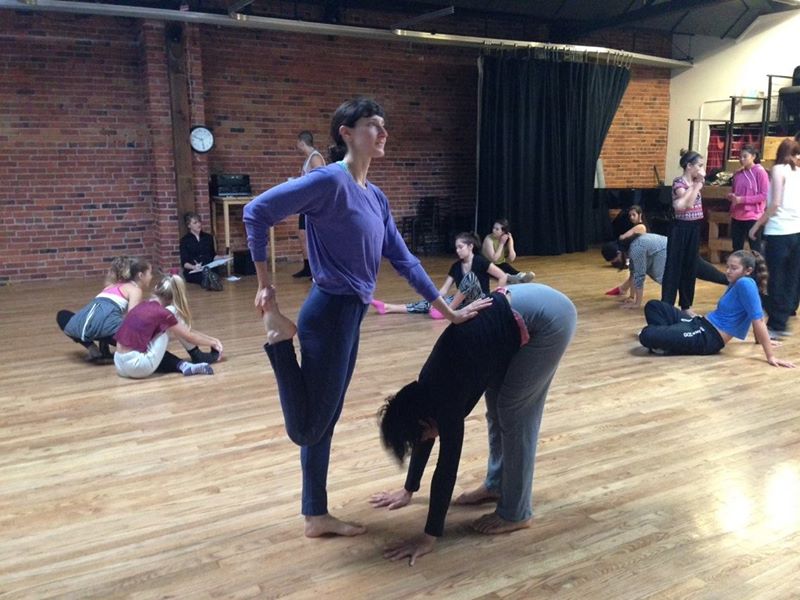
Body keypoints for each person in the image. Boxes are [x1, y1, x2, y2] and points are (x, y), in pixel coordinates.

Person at [243, 98, 490, 539]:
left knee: (326, 416)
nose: (382, 133)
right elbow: (256, 212)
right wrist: (267, 288)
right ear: (346, 133)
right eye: (373, 125)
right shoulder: (327, 182)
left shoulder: (374, 197)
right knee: (309, 426)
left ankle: (315, 514)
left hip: (349, 316)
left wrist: (447, 309)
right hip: (328, 312)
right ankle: (278, 341)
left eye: (383, 126)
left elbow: (405, 260)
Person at [371, 284, 576, 564]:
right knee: (496, 406)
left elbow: (447, 467)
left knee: (515, 413)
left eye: (420, 436)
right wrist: (409, 489)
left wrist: (429, 536)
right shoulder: (424, 396)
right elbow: (425, 439)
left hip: (549, 318)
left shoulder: (447, 399)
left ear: (422, 421)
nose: (426, 440)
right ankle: (495, 484)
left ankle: (517, 513)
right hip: (513, 318)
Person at [638, 251, 794, 367]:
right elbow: (753, 315)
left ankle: (665, 340)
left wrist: (770, 356)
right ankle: (667, 340)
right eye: (727, 267)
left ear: (748, 271)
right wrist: (760, 340)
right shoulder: (736, 283)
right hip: (700, 323)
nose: (728, 271)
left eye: (734, 268)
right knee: (654, 306)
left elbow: (758, 319)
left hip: (708, 338)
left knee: (647, 334)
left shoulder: (745, 284)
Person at [371, 232, 507, 319]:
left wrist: (497, 294)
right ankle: (389, 307)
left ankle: (448, 312)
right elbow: (443, 290)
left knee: (470, 278)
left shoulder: (480, 261)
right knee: (433, 301)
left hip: (479, 299)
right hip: (462, 303)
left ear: (470, 247)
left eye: (461, 247)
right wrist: (435, 301)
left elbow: (502, 276)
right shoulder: (456, 266)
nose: (457, 250)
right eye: (456, 248)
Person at [113, 274, 223, 379]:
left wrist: (210, 339)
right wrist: (213, 342)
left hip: (119, 364)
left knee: (165, 325)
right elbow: (189, 336)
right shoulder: (164, 313)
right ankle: (196, 354)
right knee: (170, 317)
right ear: (173, 298)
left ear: (156, 288)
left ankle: (184, 366)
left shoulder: (142, 305)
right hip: (137, 367)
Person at [749, 138, 800, 338]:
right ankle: (781, 322)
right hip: (797, 231)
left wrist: (757, 224)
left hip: (779, 231)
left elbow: (775, 203)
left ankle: (776, 323)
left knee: (773, 277)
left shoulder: (778, 169)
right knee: (791, 278)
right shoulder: (798, 172)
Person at [57, 256, 151, 361]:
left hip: (82, 327)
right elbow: (132, 319)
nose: (151, 277)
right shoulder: (134, 290)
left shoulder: (109, 287)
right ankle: (103, 348)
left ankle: (92, 348)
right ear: (140, 275)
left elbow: (104, 314)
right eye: (150, 273)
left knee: (62, 315)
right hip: (102, 329)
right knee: (136, 336)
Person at [661, 151, 706, 314]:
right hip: (680, 228)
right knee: (674, 265)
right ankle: (667, 304)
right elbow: (686, 204)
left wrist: (696, 185)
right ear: (689, 166)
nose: (702, 169)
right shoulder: (678, 182)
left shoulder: (694, 183)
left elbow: (687, 202)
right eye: (699, 165)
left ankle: (686, 305)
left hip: (694, 227)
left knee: (690, 266)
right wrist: (696, 186)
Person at [292, 130, 326, 279]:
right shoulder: (308, 159)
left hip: (314, 204)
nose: (297, 145)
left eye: (297, 142)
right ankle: (308, 267)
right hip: (306, 203)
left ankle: (317, 269)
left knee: (312, 237)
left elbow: (321, 181)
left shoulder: (315, 158)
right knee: (302, 234)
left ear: (301, 142)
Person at [727, 145, 768, 254]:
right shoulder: (738, 173)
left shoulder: (760, 172)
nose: (742, 159)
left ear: (753, 156)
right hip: (737, 215)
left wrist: (742, 200)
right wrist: (732, 197)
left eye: (745, 156)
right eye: (740, 157)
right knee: (736, 248)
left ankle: (758, 270)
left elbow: (764, 195)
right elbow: (735, 191)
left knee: (755, 249)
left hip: (753, 216)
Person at [179, 212, 227, 287]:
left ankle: (209, 281)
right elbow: (184, 262)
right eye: (195, 223)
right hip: (194, 269)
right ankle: (210, 281)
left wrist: (222, 258)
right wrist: (194, 267)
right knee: (201, 275)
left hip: (208, 266)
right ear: (189, 226)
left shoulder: (208, 237)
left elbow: (212, 255)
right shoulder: (184, 241)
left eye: (199, 222)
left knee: (212, 272)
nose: (199, 224)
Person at [481, 219, 535, 284]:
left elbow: (511, 258)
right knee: (499, 272)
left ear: (503, 232)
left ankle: (521, 277)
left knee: (507, 267)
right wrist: (501, 244)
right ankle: (514, 279)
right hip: (487, 265)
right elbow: (494, 259)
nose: (493, 230)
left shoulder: (507, 238)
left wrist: (510, 243)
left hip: (500, 264)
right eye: (493, 228)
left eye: (497, 229)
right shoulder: (488, 239)